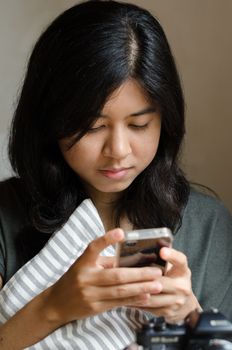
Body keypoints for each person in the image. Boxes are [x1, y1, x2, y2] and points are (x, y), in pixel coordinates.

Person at [0, 0, 231, 349]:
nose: (118, 150)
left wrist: (190, 312)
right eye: (93, 127)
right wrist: (54, 306)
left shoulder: (207, 224)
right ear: (50, 121)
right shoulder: (5, 214)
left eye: (139, 124)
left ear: (165, 121)